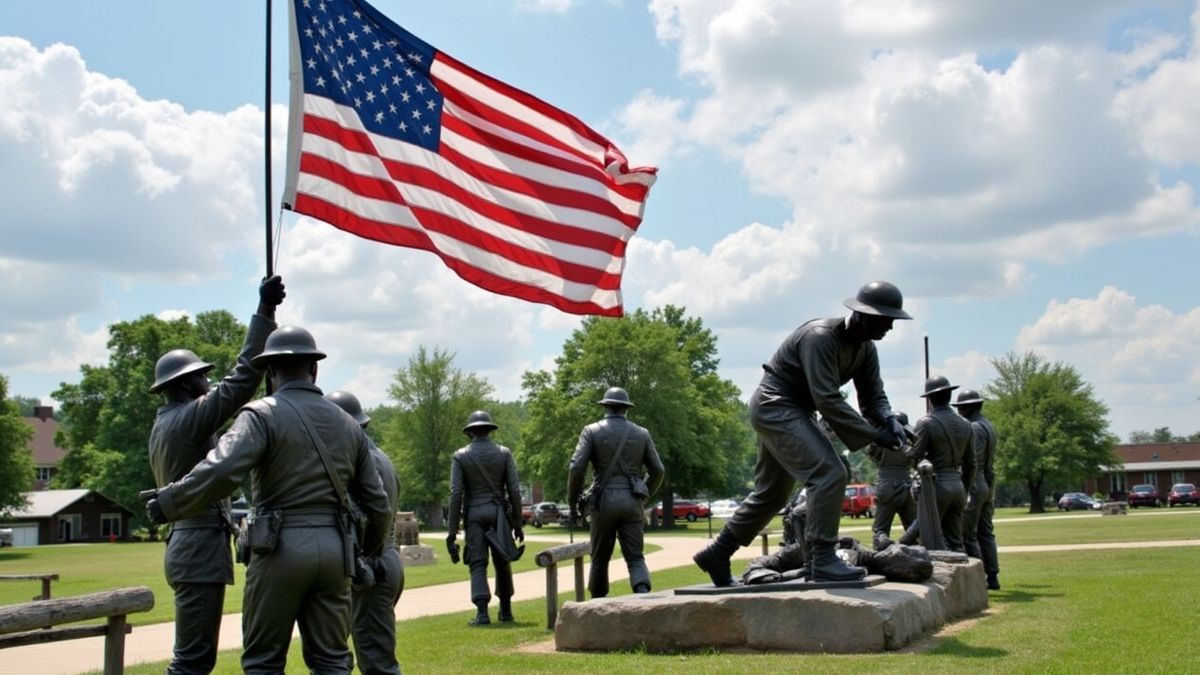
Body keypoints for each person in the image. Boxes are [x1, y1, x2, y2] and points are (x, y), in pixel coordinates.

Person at [146, 325, 392, 674]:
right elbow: (378, 504)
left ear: (271, 371)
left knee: (264, 662)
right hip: (337, 550)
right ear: (314, 368)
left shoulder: (260, 415)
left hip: (279, 548)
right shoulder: (347, 424)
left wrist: (171, 500)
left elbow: (221, 470)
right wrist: (364, 552)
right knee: (333, 661)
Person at [693, 281, 912, 586]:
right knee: (830, 472)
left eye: (893, 321)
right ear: (862, 315)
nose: (890, 327)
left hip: (794, 411)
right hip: (776, 405)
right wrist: (875, 436)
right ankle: (822, 559)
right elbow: (827, 398)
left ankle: (717, 553)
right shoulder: (820, 337)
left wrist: (889, 420)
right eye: (885, 319)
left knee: (771, 495)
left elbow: (874, 396)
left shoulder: (865, 349)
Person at [146, 274, 284, 675]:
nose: (208, 382)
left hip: (189, 546)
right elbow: (242, 380)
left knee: (195, 658)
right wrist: (265, 312)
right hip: (198, 548)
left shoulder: (167, 423)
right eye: (202, 377)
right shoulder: (186, 420)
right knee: (191, 662)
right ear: (187, 383)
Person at [327, 390, 403, 675]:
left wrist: (364, 559)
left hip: (372, 563)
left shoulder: (362, 462)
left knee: (376, 661)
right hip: (383, 560)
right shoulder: (379, 457)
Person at [567, 387, 665, 598]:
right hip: (632, 501)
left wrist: (573, 502)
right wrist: (644, 493)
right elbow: (658, 470)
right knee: (636, 558)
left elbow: (576, 467)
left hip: (602, 502)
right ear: (625, 408)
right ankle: (642, 595)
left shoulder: (591, 431)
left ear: (606, 406)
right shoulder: (641, 433)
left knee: (600, 559)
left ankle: (597, 606)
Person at [446, 410, 524, 626]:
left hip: (475, 515)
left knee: (478, 563)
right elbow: (515, 490)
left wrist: (452, 532)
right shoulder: (504, 453)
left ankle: (482, 613)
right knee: (502, 560)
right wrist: (517, 523)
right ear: (489, 430)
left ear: (470, 432)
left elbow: (455, 495)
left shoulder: (460, 456)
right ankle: (506, 610)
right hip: (499, 512)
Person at [898, 376, 977, 552]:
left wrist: (902, 446)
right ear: (949, 395)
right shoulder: (966, 424)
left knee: (921, 531)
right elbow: (971, 463)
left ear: (930, 398)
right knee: (956, 541)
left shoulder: (926, 423)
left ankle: (894, 549)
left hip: (937, 486)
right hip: (958, 486)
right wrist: (964, 489)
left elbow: (914, 457)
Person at [955, 389, 1001, 590]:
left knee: (968, 534)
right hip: (988, 482)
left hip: (976, 483)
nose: (958, 413)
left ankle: (979, 578)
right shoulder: (987, 424)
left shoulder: (975, 427)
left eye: (960, 408)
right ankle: (992, 577)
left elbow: (973, 461)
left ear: (968, 407)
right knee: (986, 533)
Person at [870, 411, 917, 550]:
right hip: (907, 483)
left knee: (880, 529)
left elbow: (873, 455)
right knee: (913, 529)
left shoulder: (882, 441)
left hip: (887, 482)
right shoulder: (911, 442)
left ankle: (882, 555)